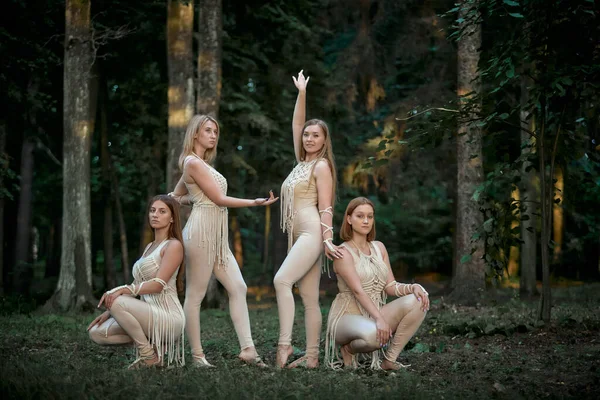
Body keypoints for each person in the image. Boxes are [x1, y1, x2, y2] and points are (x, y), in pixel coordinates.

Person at [169, 114, 277, 368]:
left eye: (215, 131)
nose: (213, 135)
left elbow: (177, 194)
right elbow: (217, 199)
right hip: (201, 233)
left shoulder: (200, 164)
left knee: (238, 287)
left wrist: (191, 199)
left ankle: (248, 349)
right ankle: (197, 356)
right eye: (208, 130)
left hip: (217, 237)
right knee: (195, 295)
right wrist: (254, 202)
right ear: (195, 133)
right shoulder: (192, 163)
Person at [274, 70, 343, 369]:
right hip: (298, 234)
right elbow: (296, 122)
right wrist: (302, 93)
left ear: (324, 140)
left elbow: (326, 207)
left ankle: (285, 345)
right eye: (307, 135)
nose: (309, 137)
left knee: (281, 280)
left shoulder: (322, 166)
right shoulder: (301, 161)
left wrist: (327, 239)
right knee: (310, 298)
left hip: (312, 233)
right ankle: (312, 357)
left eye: (316, 135)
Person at [325, 197, 429, 370]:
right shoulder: (342, 252)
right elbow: (358, 291)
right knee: (374, 335)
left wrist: (413, 287)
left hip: (373, 313)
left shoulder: (379, 247)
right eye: (360, 216)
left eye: (370, 216)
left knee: (419, 301)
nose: (366, 221)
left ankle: (389, 360)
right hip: (346, 317)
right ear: (349, 219)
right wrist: (380, 319)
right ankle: (348, 350)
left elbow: (390, 286)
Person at [88, 195, 186, 369]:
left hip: (169, 319)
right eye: (152, 210)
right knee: (97, 333)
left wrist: (121, 292)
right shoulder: (150, 247)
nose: (155, 215)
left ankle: (147, 356)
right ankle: (155, 350)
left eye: (162, 211)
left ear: (172, 218)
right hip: (147, 314)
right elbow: (137, 283)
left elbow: (157, 285)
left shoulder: (173, 245)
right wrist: (111, 311)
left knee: (117, 297)